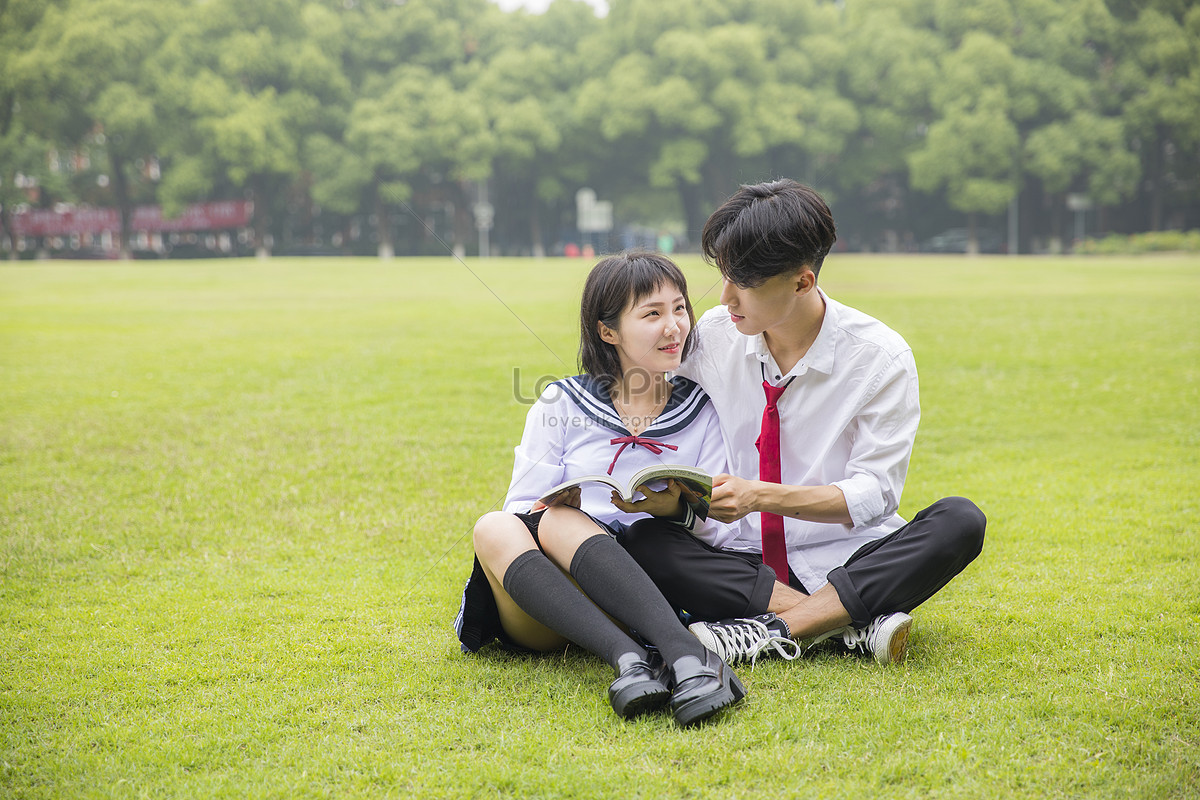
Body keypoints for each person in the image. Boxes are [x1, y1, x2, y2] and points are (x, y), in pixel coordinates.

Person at [619, 179, 987, 666]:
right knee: (646, 539)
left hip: (848, 558)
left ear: (802, 281)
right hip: (742, 560)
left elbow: (875, 493)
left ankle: (771, 631)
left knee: (960, 521)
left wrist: (759, 494)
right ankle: (848, 626)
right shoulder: (715, 334)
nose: (726, 297)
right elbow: (637, 379)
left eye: (745, 283)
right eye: (724, 276)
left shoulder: (880, 357)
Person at [454, 251, 745, 726]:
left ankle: (680, 655)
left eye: (679, 308)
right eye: (652, 314)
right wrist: (552, 506)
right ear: (607, 331)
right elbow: (519, 510)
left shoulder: (703, 410)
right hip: (559, 600)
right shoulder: (560, 401)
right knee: (496, 524)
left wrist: (675, 510)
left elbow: (726, 534)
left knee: (557, 522)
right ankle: (632, 659)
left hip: (656, 587)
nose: (674, 327)